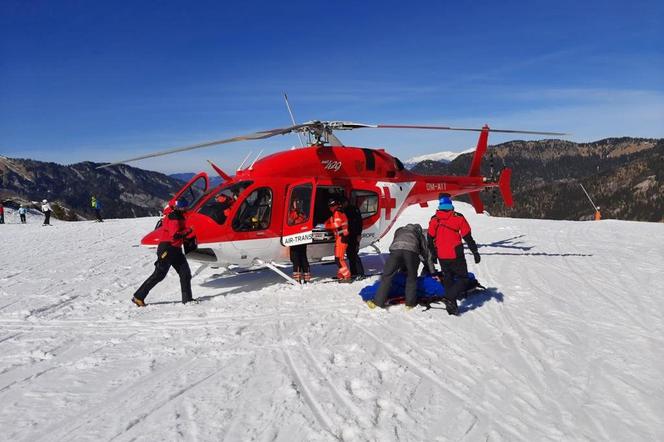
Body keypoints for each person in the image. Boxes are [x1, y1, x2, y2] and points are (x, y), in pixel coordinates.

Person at [131, 199, 195, 306]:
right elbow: (174, 236)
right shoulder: (174, 217)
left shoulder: (179, 215)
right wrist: (188, 231)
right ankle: (138, 297)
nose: (187, 208)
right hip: (168, 249)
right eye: (185, 207)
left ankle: (187, 299)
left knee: (185, 273)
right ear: (180, 207)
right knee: (159, 275)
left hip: (175, 249)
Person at [427, 194, 480, 316]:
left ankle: (452, 308)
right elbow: (467, 237)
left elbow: (430, 238)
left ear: (440, 205)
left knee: (448, 279)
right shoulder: (458, 217)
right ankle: (450, 297)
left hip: (442, 255)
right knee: (463, 278)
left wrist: (434, 254)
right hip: (456, 254)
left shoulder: (435, 219)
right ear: (450, 204)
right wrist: (475, 252)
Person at [369, 223, 437, 310]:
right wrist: (433, 272)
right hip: (411, 252)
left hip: (395, 251)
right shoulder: (419, 234)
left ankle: (378, 302)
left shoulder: (400, 230)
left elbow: (397, 244)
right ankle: (410, 303)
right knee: (411, 278)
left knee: (387, 276)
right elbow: (426, 255)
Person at [324, 198, 351, 282]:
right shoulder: (339, 212)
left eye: (330, 206)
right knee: (339, 258)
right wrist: (327, 222)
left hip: (341, 238)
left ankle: (347, 276)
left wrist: (326, 226)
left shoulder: (337, 212)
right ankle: (341, 275)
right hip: (342, 238)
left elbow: (337, 224)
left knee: (339, 259)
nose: (330, 208)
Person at [288, 199, 311, 283]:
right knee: (303, 258)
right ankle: (307, 278)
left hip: (295, 239)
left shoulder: (294, 214)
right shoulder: (303, 214)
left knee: (295, 259)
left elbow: (289, 222)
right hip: (303, 239)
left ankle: (297, 279)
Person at [342, 197, 365, 279]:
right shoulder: (349, 210)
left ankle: (360, 272)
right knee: (350, 254)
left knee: (354, 254)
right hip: (350, 235)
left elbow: (358, 223)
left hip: (354, 235)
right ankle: (354, 272)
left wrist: (358, 234)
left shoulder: (351, 210)